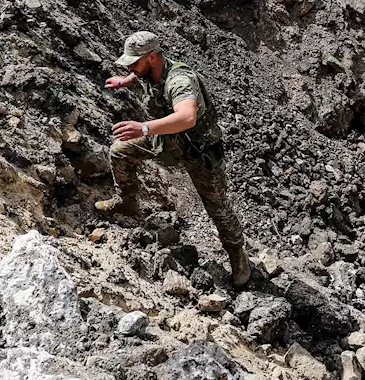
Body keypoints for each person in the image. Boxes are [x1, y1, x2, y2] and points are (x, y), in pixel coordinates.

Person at [99, 31, 251, 288]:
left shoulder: (180, 80)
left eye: (134, 63)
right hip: (165, 142)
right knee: (120, 151)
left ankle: (237, 253)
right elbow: (139, 77)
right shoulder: (145, 70)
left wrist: (144, 128)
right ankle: (126, 202)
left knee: (217, 207)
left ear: (153, 57)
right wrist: (123, 82)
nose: (132, 68)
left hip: (198, 151)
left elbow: (186, 117)